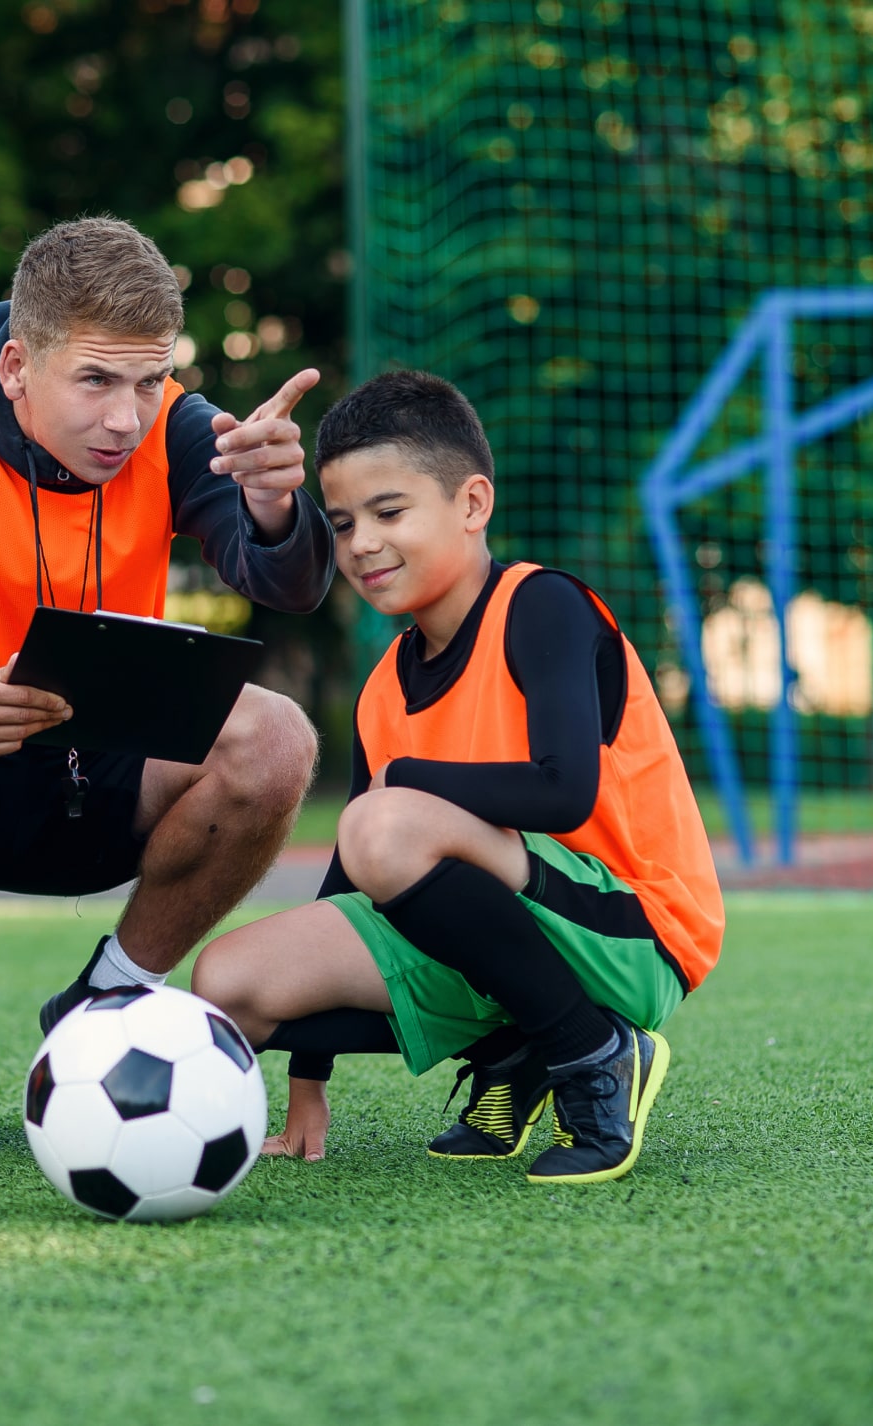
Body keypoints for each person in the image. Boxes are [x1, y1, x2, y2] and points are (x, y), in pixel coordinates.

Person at [0, 216, 335, 1147]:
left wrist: (277, 506)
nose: (127, 417)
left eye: (149, 380)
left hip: (103, 780)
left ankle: (113, 997)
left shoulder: (179, 424)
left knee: (277, 736)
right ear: (15, 368)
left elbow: (285, 582)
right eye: (95, 381)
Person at [191, 369, 724, 1184]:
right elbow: (350, 885)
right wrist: (307, 1086)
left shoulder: (543, 606)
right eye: (341, 523)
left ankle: (592, 1053)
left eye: (389, 511)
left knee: (384, 821)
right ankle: (518, 1049)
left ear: (473, 505)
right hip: (497, 933)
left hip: (629, 934)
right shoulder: (382, 688)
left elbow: (563, 791)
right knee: (229, 980)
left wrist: (405, 782)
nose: (361, 541)